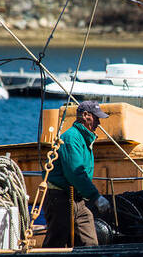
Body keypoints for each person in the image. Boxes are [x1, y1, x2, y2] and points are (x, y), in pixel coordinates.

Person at [42, 100, 110, 248]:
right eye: (96, 118)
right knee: (56, 243)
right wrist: (96, 197)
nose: (99, 123)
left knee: (89, 242)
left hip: (77, 200)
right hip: (60, 199)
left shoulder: (84, 138)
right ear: (85, 115)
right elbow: (75, 173)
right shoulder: (72, 138)